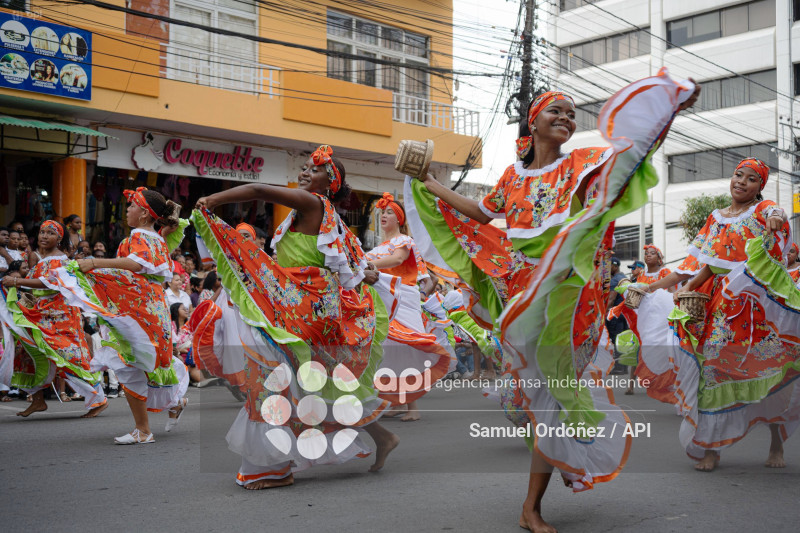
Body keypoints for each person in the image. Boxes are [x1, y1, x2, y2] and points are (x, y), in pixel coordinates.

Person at [406, 72, 699, 531]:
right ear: (532, 123)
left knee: (553, 394)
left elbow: (629, 158)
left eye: (570, 114)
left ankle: (532, 505)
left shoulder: (581, 163)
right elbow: (480, 214)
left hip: (569, 298)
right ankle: (546, 482)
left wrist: (667, 111)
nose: (565, 118)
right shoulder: (511, 176)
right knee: (539, 400)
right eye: (555, 111)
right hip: (521, 296)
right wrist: (429, 185)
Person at [191, 145, 398, 489]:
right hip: (301, 306)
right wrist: (367, 274)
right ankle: (381, 436)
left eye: (312, 170)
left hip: (303, 309)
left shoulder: (314, 204)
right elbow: (352, 262)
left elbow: (258, 190)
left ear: (329, 183)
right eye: (303, 168)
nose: (304, 173)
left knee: (274, 376)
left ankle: (271, 467)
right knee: (310, 382)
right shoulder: (325, 216)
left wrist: (213, 199)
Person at [662, 158, 799, 472]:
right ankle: (711, 449)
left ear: (759, 187)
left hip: (756, 308)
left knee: (771, 369)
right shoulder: (715, 218)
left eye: (751, 179)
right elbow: (704, 262)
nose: (742, 181)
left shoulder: (763, 209)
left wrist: (777, 217)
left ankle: (776, 443)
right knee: (712, 371)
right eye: (739, 175)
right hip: (719, 308)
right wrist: (680, 286)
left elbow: (775, 212)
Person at [45, 188, 190, 443]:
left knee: (129, 363)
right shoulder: (153, 237)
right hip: (145, 309)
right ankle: (172, 404)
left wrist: (94, 263)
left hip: (139, 312)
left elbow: (137, 264)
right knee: (140, 365)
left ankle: (145, 429)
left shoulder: (140, 237)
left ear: (145, 213)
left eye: (132, 205)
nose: (128, 210)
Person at [0, 221, 107, 418]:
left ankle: (98, 398)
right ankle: (38, 400)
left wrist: (16, 281)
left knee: (68, 356)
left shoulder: (60, 259)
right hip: (40, 313)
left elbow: (49, 284)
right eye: (42, 232)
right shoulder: (38, 257)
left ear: (59, 238)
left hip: (60, 316)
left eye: (50, 233)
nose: (44, 236)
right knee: (28, 349)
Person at [365, 192, 451, 422]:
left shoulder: (403, 241)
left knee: (406, 348)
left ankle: (413, 408)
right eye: (382, 212)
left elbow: (397, 260)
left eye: (390, 212)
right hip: (383, 302)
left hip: (403, 300)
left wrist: (367, 264)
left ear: (400, 219)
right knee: (389, 351)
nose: (384, 215)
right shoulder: (379, 246)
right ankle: (397, 402)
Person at [170, 303, 204, 386]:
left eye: (186, 308)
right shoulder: (171, 326)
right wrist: (180, 350)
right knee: (189, 365)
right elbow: (171, 346)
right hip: (179, 355)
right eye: (182, 309)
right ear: (176, 311)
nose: (186, 310)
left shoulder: (191, 325)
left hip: (193, 353)